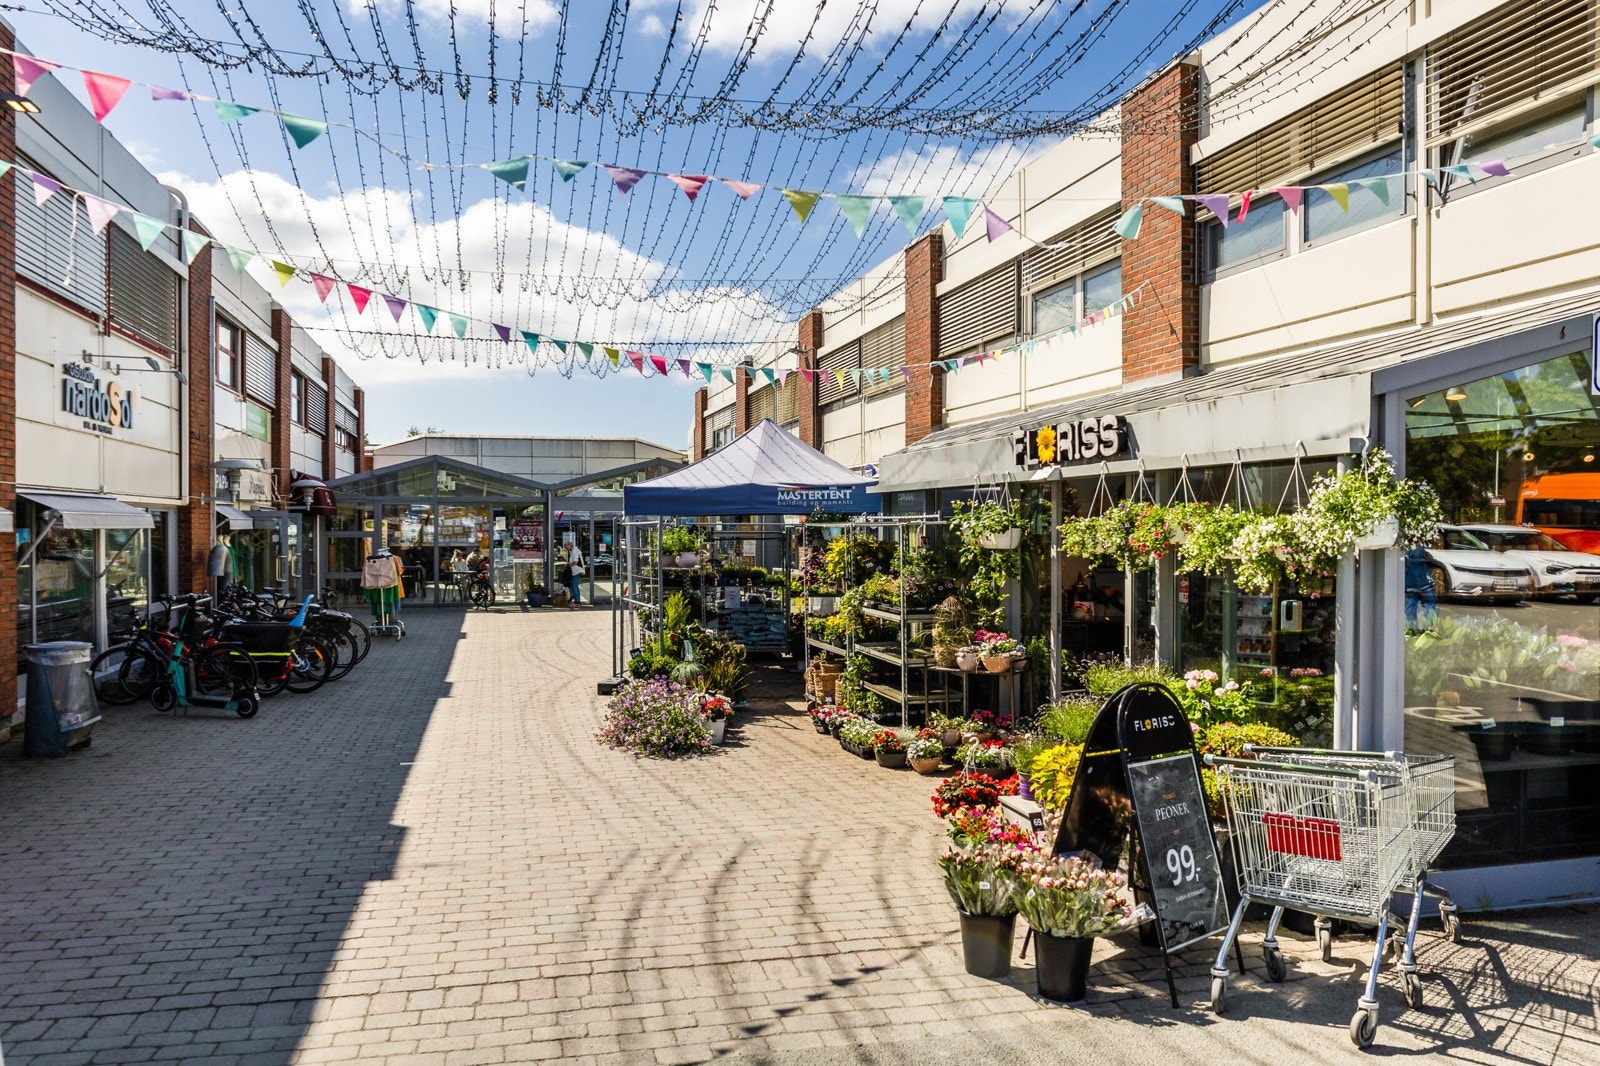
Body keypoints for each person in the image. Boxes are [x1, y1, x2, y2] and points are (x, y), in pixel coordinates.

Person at [566, 542, 585, 608]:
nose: (566, 548)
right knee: (574, 586)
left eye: (566, 547)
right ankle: (577, 601)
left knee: (574, 586)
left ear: (570, 545)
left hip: (577, 571)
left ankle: (577, 602)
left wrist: (568, 565)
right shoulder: (572, 551)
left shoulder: (575, 551)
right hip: (575, 571)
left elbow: (575, 562)